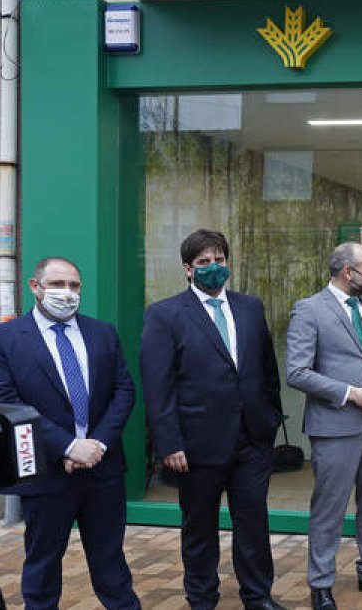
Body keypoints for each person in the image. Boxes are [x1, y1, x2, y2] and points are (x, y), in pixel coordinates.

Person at [141, 229, 287, 610]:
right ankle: (202, 599)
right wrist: (169, 442)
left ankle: (258, 597)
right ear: (188, 269)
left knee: (254, 525)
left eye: (219, 260)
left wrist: (269, 421)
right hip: (196, 445)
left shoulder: (250, 307)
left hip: (252, 441)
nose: (213, 267)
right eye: (204, 262)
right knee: (199, 529)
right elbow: (158, 386)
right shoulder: (165, 314)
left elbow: (267, 371)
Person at [0, 258, 140, 610]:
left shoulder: (103, 332)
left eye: (74, 285)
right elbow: (8, 401)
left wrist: (97, 445)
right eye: (58, 284)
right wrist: (69, 446)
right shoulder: (7, 339)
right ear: (35, 286)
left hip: (103, 470)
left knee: (112, 565)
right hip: (47, 473)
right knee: (43, 566)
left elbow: (124, 391)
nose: (67, 293)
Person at [286, 242, 362, 610]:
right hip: (335, 425)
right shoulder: (309, 310)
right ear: (346, 272)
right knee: (330, 508)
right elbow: (297, 371)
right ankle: (320, 583)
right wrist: (350, 393)